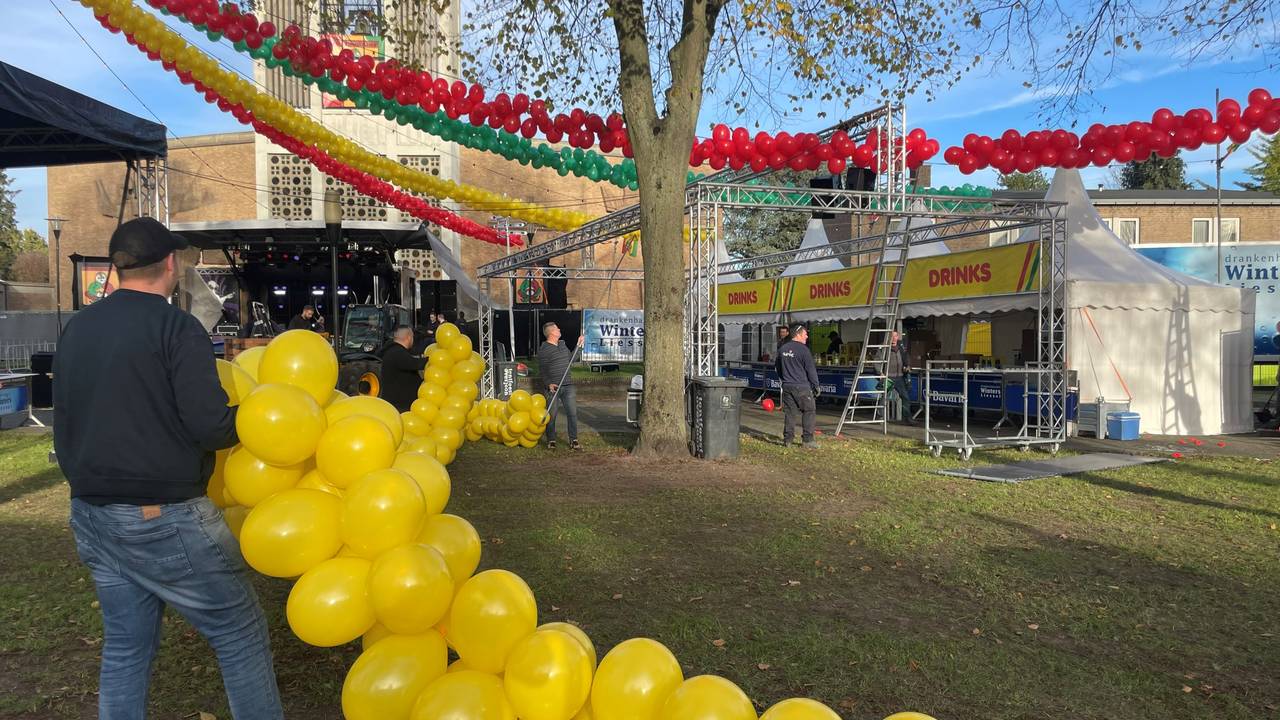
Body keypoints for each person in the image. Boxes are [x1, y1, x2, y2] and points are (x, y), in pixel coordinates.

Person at [53, 217, 283, 719]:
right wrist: (263, 418)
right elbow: (211, 427)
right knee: (238, 629)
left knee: (126, 647)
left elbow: (64, 418)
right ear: (171, 265)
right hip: (163, 515)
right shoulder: (178, 328)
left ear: (116, 269)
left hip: (91, 513)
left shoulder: (77, 328)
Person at [536, 321, 583, 450]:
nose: (559, 329)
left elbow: (571, 360)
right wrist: (548, 384)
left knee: (572, 414)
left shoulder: (562, 344)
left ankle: (574, 440)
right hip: (553, 388)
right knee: (552, 415)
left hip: (568, 386)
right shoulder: (544, 349)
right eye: (557, 328)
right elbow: (543, 370)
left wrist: (579, 345)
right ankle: (551, 440)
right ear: (551, 332)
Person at [775, 323, 820, 448]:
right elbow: (811, 370)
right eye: (805, 334)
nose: (806, 337)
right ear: (799, 334)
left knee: (790, 413)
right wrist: (816, 385)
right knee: (809, 410)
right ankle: (808, 440)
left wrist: (784, 379)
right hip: (802, 386)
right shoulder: (804, 350)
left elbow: (777, 367)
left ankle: (788, 440)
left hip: (787, 386)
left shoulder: (783, 349)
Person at [381, 326, 429, 412]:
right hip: (400, 406)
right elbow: (415, 364)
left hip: (397, 403)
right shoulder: (397, 353)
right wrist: (433, 358)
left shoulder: (392, 351)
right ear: (409, 337)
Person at [886, 330, 913, 423]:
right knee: (883, 397)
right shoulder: (884, 348)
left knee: (905, 397)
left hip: (899, 377)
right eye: (892, 336)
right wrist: (880, 372)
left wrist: (907, 366)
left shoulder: (901, 348)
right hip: (888, 377)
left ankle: (908, 418)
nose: (893, 338)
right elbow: (878, 360)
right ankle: (881, 417)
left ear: (898, 337)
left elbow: (906, 359)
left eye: (895, 336)